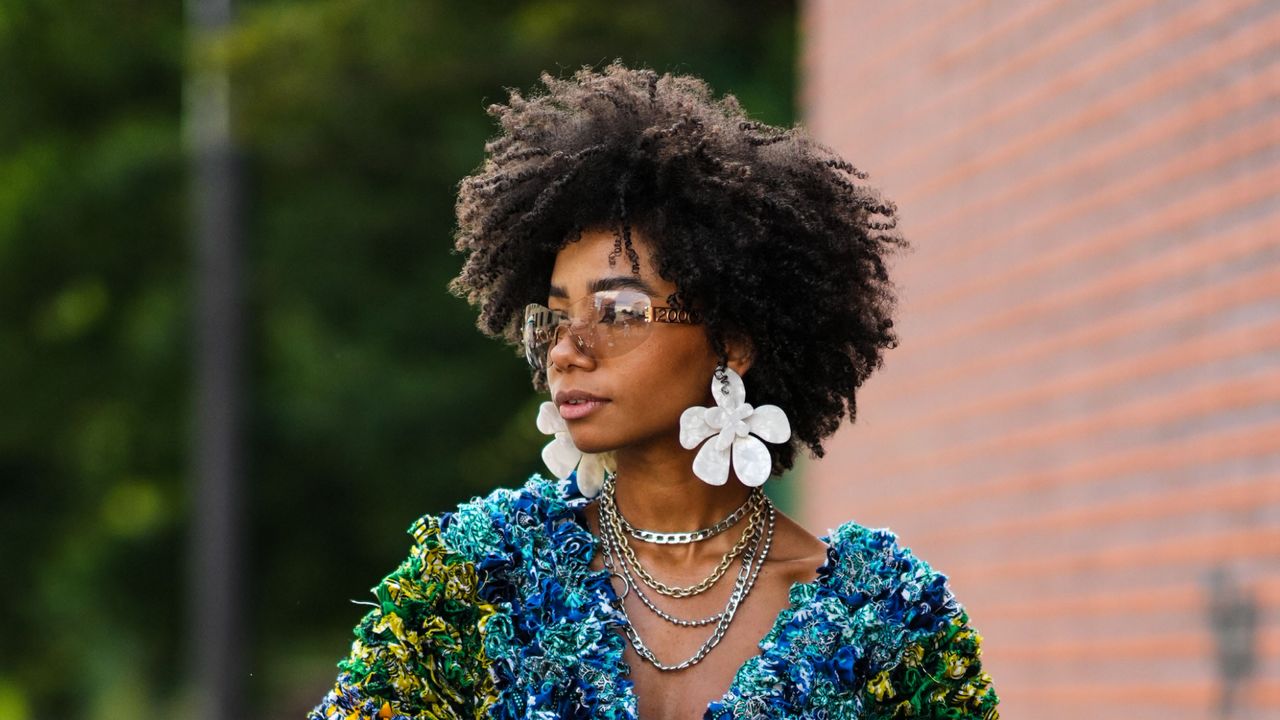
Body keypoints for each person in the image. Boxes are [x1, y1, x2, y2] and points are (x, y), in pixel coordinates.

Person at [309, 63, 999, 720]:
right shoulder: (480, 580)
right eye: (555, 316)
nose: (567, 349)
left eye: (617, 312)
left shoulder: (885, 620)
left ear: (731, 339)